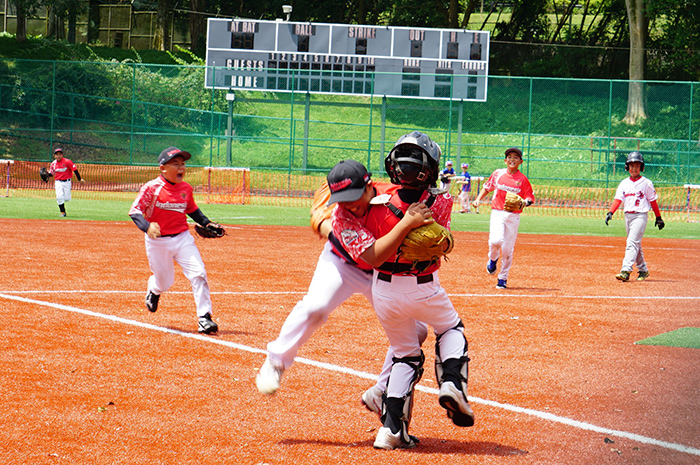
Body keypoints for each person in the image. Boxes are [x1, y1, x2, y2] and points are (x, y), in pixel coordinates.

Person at [332, 131, 474, 450]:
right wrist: (412, 226)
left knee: (405, 355)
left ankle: (391, 431)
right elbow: (440, 242)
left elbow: (371, 250)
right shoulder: (442, 201)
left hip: (383, 292)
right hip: (424, 287)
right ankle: (452, 383)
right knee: (450, 327)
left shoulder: (370, 205)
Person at [256, 160, 428, 419]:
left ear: (369, 185)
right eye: (343, 199)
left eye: (354, 196)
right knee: (316, 307)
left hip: (381, 273)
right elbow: (359, 247)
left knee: (416, 331)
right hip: (342, 263)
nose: (351, 205)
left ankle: (381, 392)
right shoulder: (340, 213)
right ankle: (276, 361)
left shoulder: (392, 195)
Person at [128, 146, 221, 334]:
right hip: (158, 242)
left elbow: (192, 209)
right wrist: (147, 227)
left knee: (199, 273)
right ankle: (154, 290)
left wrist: (206, 222)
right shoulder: (151, 188)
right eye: (176, 164)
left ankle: (204, 317)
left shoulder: (186, 188)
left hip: (182, 238)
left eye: (183, 164)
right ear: (163, 168)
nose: (181, 168)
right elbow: (135, 211)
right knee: (165, 283)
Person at [472, 147, 534, 290]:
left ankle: (502, 278)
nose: (512, 159)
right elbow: (487, 187)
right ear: (505, 160)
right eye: (510, 157)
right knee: (495, 241)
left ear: (521, 161)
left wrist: (525, 202)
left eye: (516, 157)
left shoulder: (523, 180)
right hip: (498, 212)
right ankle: (492, 259)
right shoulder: (498, 174)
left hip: (513, 215)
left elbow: (530, 197)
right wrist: (478, 199)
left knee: (507, 249)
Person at [605, 151, 664, 281]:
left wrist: (658, 217)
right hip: (628, 216)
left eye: (637, 166)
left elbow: (652, 201)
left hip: (640, 216)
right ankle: (643, 270)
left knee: (631, 242)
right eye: (631, 166)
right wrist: (610, 212)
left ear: (641, 167)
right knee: (635, 244)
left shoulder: (646, 183)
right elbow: (618, 199)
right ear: (627, 167)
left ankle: (625, 270)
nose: (634, 168)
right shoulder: (624, 183)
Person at [46, 147, 85, 217]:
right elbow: (52, 173)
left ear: (62, 155)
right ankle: (63, 212)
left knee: (67, 198)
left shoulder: (67, 162)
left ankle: (62, 202)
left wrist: (80, 179)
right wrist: (47, 175)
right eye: (57, 154)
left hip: (67, 182)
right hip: (58, 182)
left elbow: (75, 170)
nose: (58, 156)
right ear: (54, 156)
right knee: (59, 197)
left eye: (60, 154)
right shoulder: (53, 164)